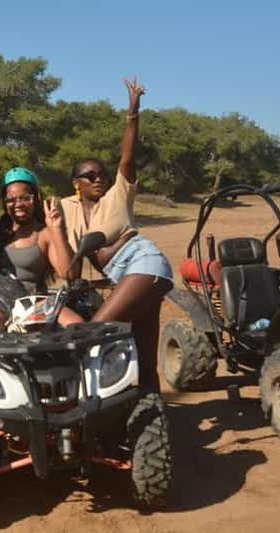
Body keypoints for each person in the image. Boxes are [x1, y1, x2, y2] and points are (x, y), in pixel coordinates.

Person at [60, 77, 173, 392]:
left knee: (94, 331)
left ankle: (78, 400)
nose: (99, 179)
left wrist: (132, 112)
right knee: (144, 358)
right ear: (76, 182)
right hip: (125, 278)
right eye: (90, 175)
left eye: (102, 174)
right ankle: (150, 418)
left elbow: (127, 157)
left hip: (145, 265)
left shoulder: (118, 194)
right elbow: (72, 260)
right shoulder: (65, 209)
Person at [0, 167, 83, 335]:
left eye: (25, 198)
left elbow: (69, 273)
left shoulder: (44, 233)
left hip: (34, 302)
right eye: (11, 200)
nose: (18, 204)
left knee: (76, 326)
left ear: (36, 198)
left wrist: (56, 229)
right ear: (4, 202)